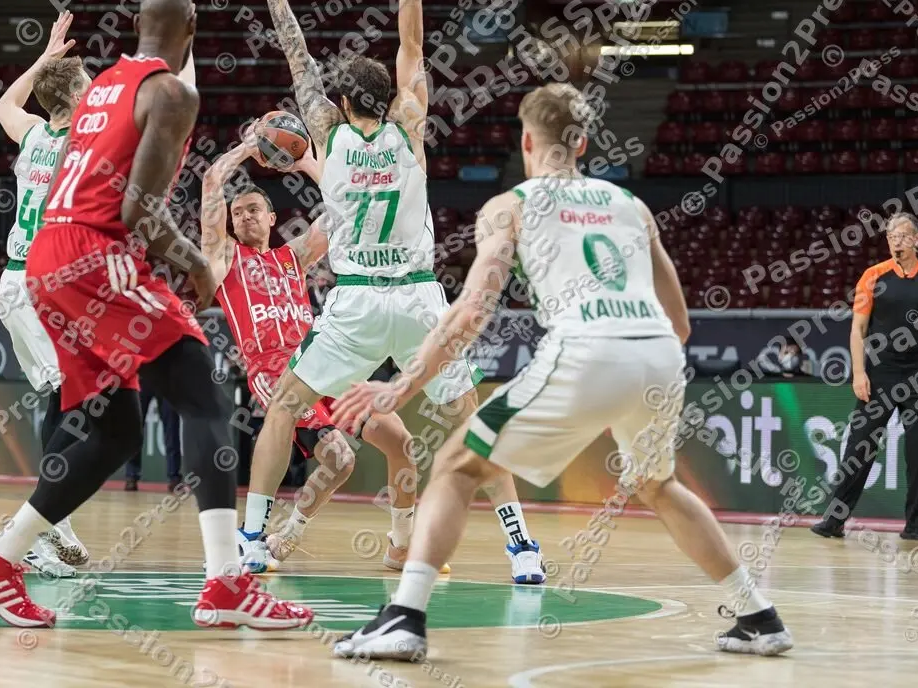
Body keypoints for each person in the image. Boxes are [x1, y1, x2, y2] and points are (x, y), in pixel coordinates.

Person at [330, 82, 794, 661]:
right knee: (658, 484)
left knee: (454, 465)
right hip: (657, 353)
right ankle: (759, 615)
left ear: (526, 140)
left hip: (587, 349)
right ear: (582, 143)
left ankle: (403, 619)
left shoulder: (510, 206)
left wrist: (402, 384)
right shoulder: (631, 206)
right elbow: (679, 321)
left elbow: (472, 310)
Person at [0, 0, 312, 631]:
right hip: (94, 252)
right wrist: (195, 261)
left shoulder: (104, 86)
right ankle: (226, 582)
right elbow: (137, 209)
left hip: (45, 261)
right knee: (204, 393)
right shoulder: (170, 94)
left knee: (115, 426)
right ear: (192, 28)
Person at [245, 0, 545, 584]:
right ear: (388, 98)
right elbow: (412, 42)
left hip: (354, 300)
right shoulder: (411, 130)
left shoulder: (327, 134)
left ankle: (251, 539)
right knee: (471, 420)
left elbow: (296, 56)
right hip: (417, 298)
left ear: (342, 101)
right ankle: (522, 548)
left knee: (287, 406)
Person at [200, 136, 418, 572]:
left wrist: (309, 163)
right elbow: (210, 181)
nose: (243, 216)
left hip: (324, 358)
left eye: (252, 209)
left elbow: (342, 211)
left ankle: (386, 543)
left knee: (401, 443)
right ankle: (251, 539)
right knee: (339, 458)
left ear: (272, 217)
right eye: (237, 211)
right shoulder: (224, 258)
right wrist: (245, 148)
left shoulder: (292, 257)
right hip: (272, 371)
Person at [0, 10, 90, 578]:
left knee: (67, 400)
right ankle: (43, 528)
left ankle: (51, 524)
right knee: (65, 395)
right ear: (75, 98)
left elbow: (7, 105)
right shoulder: (80, 141)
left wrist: (44, 59)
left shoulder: (32, 132)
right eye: (86, 85)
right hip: (33, 282)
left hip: (28, 282)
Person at [811, 213, 918, 542]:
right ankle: (834, 520)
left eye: (902, 236)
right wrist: (859, 372)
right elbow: (857, 329)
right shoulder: (873, 276)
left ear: (917, 239)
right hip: (880, 372)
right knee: (858, 448)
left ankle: (917, 524)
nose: (896, 242)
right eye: (890, 236)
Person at [125, 382, 182, 491]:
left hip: (166, 378)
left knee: (172, 429)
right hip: (142, 376)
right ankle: (131, 476)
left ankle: (174, 478)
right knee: (134, 427)